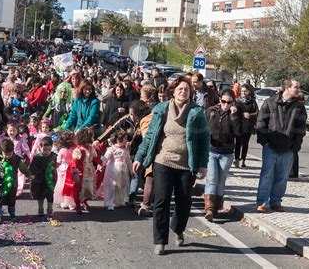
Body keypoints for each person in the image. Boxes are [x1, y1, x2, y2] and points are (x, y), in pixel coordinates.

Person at [133, 76, 209, 255]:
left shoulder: (196, 113)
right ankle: (160, 241)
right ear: (173, 91)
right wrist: (139, 156)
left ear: (191, 93)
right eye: (180, 89)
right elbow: (150, 136)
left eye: (187, 89)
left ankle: (178, 228)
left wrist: (203, 164)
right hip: (163, 161)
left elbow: (205, 140)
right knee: (161, 201)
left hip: (186, 165)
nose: (183, 91)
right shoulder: (161, 109)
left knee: (184, 202)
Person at [255, 78, 306, 213]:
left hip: (288, 149)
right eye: (296, 87)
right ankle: (262, 202)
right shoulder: (270, 102)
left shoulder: (299, 107)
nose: (298, 90)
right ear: (287, 88)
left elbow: (301, 130)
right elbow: (260, 123)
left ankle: (276, 201)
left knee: (282, 177)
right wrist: (264, 141)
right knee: (267, 174)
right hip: (270, 146)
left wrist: (295, 147)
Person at [204, 89, 242, 222]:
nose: (226, 105)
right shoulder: (211, 111)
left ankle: (216, 208)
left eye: (229, 102)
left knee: (220, 181)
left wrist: (234, 116)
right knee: (211, 178)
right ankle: (209, 209)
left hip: (227, 152)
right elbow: (204, 127)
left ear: (233, 102)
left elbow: (239, 133)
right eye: (223, 101)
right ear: (219, 100)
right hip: (211, 150)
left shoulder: (236, 113)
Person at [0, 139, 32, 224]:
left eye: (9, 154)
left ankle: (12, 213)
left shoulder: (16, 159)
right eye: (5, 154)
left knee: (11, 199)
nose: (7, 156)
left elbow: (23, 167)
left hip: (12, 184)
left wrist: (29, 174)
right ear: (1, 151)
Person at [63, 128, 97, 214]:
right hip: (79, 171)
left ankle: (84, 201)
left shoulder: (90, 148)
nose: (93, 138)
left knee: (88, 189)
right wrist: (75, 172)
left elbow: (96, 158)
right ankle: (78, 206)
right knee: (77, 189)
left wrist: (101, 163)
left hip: (89, 171)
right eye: (91, 136)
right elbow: (74, 162)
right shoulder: (78, 150)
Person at [101, 131, 132, 211]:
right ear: (119, 139)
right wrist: (101, 164)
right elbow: (106, 157)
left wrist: (131, 171)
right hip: (112, 169)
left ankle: (118, 201)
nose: (127, 140)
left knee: (121, 185)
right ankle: (109, 203)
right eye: (125, 138)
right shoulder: (111, 148)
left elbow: (128, 161)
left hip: (123, 170)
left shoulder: (125, 150)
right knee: (111, 186)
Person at [30, 136, 58, 217]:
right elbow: (32, 168)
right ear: (40, 147)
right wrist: (32, 174)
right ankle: (40, 208)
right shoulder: (37, 157)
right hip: (40, 180)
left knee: (50, 194)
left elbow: (56, 164)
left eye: (49, 150)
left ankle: (49, 208)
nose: (47, 152)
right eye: (45, 149)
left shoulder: (53, 156)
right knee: (40, 195)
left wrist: (55, 167)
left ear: (52, 148)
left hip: (50, 179)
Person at [234, 84, 258, 168]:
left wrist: (250, 115)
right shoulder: (237, 101)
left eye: (246, 91)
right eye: (242, 91)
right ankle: (236, 159)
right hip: (239, 125)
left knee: (245, 143)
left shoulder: (252, 101)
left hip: (248, 125)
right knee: (238, 143)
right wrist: (242, 114)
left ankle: (243, 159)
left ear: (249, 91)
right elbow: (235, 112)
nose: (244, 93)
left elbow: (257, 112)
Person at [54, 130, 77, 210]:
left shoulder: (62, 150)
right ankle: (70, 203)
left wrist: (55, 168)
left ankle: (63, 201)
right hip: (71, 168)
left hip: (63, 168)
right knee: (71, 185)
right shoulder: (74, 149)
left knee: (62, 185)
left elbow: (58, 161)